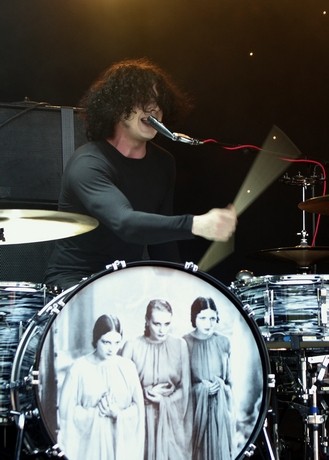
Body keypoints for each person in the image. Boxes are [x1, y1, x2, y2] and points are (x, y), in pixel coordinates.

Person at [44, 57, 237, 291]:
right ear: (116, 106)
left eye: (158, 101)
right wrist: (195, 224)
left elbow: (163, 245)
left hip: (128, 280)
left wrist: (178, 287)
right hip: (75, 283)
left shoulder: (164, 162)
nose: (153, 107)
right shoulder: (88, 163)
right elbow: (126, 223)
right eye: (142, 99)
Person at [58, 314, 144, 460]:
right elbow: (67, 413)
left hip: (120, 444)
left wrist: (117, 413)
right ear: (96, 339)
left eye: (117, 343)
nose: (112, 349)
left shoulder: (128, 368)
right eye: (106, 342)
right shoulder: (78, 369)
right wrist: (96, 413)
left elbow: (139, 410)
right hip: (89, 448)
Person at [121, 299, 192, 460]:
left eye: (167, 324)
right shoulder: (131, 347)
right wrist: (144, 394)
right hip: (140, 421)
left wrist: (164, 400)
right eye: (157, 324)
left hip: (171, 423)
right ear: (147, 321)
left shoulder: (180, 345)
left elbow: (185, 388)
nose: (162, 330)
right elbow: (121, 390)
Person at [183, 297, 234, 460]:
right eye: (202, 318)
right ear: (194, 318)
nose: (208, 323)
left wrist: (222, 388)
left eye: (212, 318)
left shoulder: (223, 342)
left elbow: (229, 381)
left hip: (220, 409)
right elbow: (181, 384)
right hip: (195, 412)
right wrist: (201, 389)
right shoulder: (184, 343)